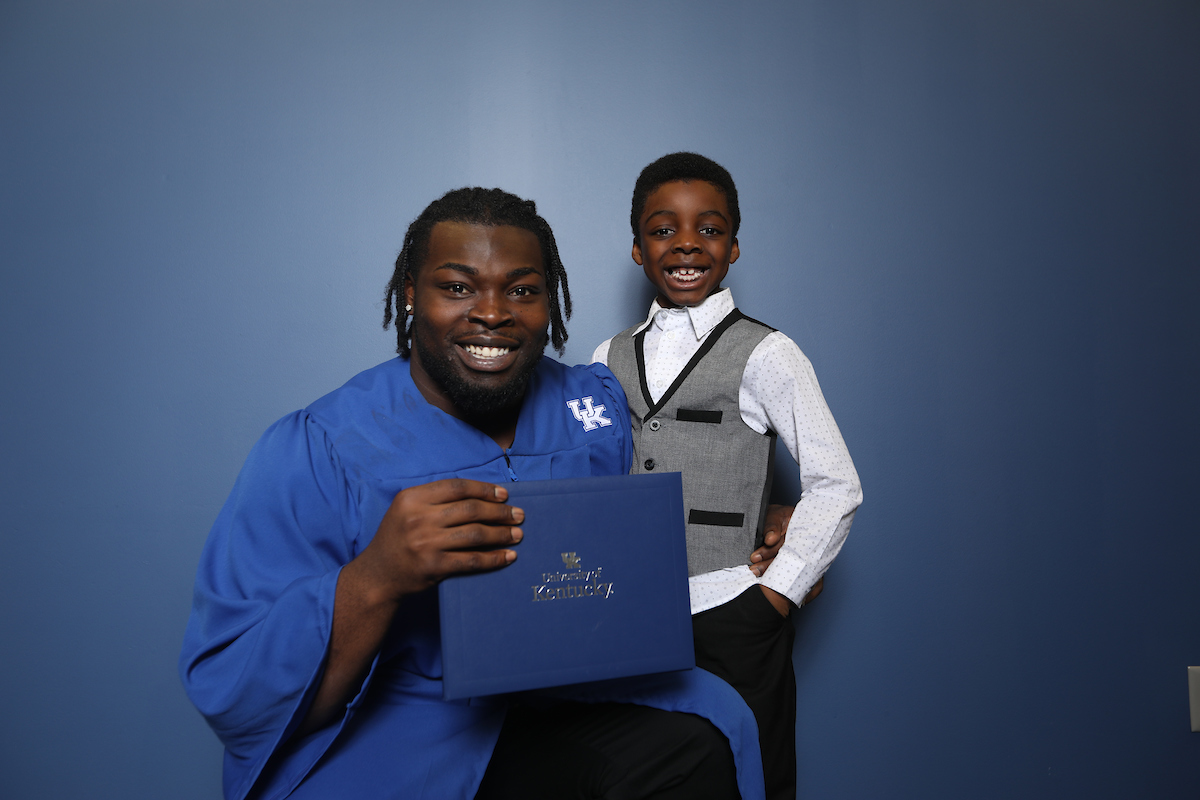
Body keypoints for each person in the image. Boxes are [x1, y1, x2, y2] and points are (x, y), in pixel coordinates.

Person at [180, 187, 780, 800]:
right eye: (458, 287)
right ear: (411, 293)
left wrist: (768, 515)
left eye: (522, 289)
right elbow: (235, 693)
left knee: (698, 742)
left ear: (549, 301)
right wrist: (377, 576)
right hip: (410, 726)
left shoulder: (587, 407)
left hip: (569, 693)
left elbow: (653, 504)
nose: (493, 313)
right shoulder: (324, 445)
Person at [592, 153, 864, 800]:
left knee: (749, 777)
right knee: (639, 776)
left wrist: (776, 596)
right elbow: (594, 479)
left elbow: (837, 482)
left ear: (734, 246)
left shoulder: (768, 353)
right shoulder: (607, 355)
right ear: (636, 248)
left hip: (732, 612)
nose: (687, 243)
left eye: (708, 229)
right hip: (631, 618)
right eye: (663, 229)